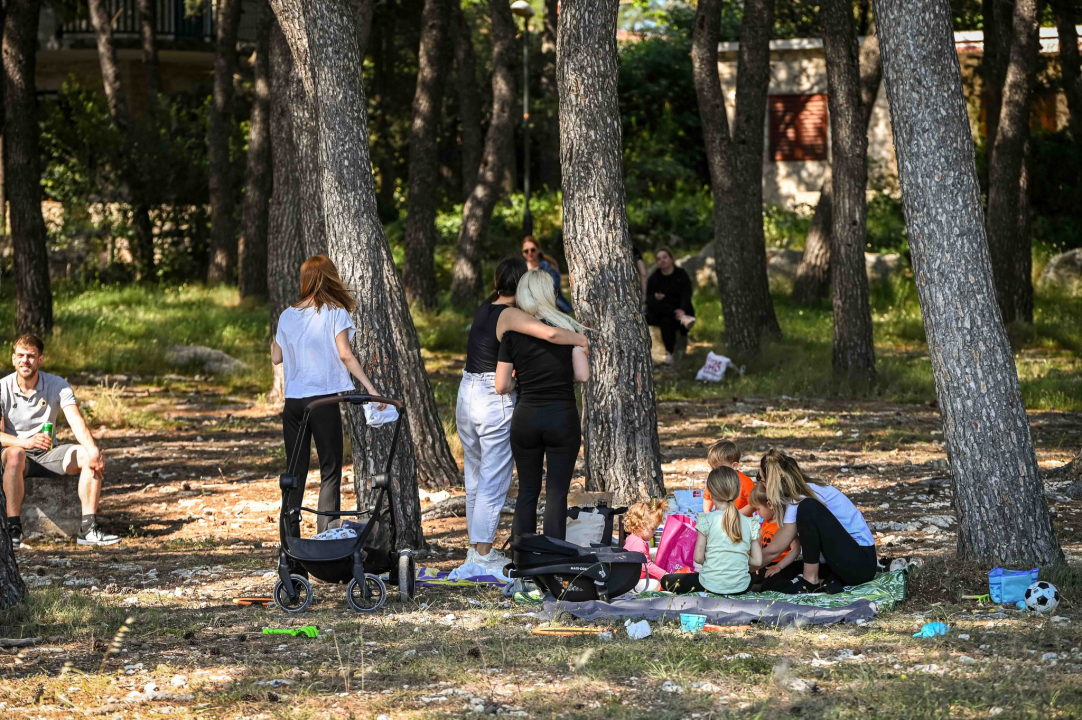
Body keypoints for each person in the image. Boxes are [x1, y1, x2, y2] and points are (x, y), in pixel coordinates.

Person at [457, 258, 588, 571]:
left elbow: (506, 373)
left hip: (473, 394)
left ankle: (493, 552)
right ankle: (492, 553)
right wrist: (580, 338)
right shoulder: (513, 316)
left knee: (481, 478)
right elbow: (556, 342)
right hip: (517, 405)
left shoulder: (487, 309)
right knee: (503, 479)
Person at [271, 255, 384, 536]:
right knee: (330, 471)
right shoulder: (335, 311)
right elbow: (345, 354)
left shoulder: (288, 314)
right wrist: (371, 389)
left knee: (294, 474)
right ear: (330, 278)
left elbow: (276, 357)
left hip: (294, 403)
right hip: (323, 401)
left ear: (306, 280)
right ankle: (325, 537)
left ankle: (289, 542)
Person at [495, 269, 589, 541]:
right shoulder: (569, 329)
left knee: (527, 490)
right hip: (561, 417)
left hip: (526, 417)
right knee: (557, 492)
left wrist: (520, 379)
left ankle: (522, 556)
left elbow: (501, 385)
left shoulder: (512, 335)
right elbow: (582, 376)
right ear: (550, 294)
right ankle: (554, 558)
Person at [1, 334, 119, 547]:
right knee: (16, 454)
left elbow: (75, 419)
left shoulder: (57, 384)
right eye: (20, 356)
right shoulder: (2, 388)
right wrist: (25, 442)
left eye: (30, 356)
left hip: (48, 454)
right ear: (13, 359)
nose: (24, 361)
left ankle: (89, 529)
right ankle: (14, 529)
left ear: (40, 360)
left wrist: (93, 450)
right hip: (16, 456)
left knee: (87, 454)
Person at [756, 449, 877, 593]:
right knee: (774, 579)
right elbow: (775, 548)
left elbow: (774, 549)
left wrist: (737, 568)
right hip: (837, 561)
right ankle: (825, 582)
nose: (761, 485)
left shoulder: (802, 496)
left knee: (808, 507)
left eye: (761, 479)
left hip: (860, 562)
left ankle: (810, 580)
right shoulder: (796, 494)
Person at [661, 466, 762, 595]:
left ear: (711, 494)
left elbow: (698, 558)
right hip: (741, 586)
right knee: (749, 578)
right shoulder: (749, 522)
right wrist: (736, 558)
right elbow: (758, 561)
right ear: (736, 492)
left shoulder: (707, 519)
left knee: (666, 580)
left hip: (710, 584)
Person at [747, 482, 802, 589]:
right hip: (766, 562)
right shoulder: (766, 523)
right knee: (747, 577)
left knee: (770, 585)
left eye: (758, 509)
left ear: (770, 505)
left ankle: (794, 582)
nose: (757, 513)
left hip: (782, 564)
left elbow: (796, 549)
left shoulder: (786, 524)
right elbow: (758, 543)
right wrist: (756, 561)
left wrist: (779, 566)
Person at [645, 247, 695, 364]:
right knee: (664, 317)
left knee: (670, 317)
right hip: (662, 312)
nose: (662, 261)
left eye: (664, 257)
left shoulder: (681, 275)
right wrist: (656, 297)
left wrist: (682, 309)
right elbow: (649, 298)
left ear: (671, 259)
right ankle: (670, 352)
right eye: (658, 259)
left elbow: (686, 294)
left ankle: (675, 350)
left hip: (680, 308)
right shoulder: (655, 277)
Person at [622, 499, 668, 592]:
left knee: (655, 582)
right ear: (641, 525)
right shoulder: (638, 543)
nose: (654, 532)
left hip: (630, 580)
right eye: (652, 529)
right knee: (656, 584)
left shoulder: (632, 539)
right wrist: (664, 574)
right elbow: (646, 565)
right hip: (632, 582)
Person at [521, 236, 573, 314]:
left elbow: (554, 287)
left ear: (538, 250)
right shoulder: (521, 269)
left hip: (552, 304)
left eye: (533, 250)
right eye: (526, 251)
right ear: (523, 253)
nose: (530, 253)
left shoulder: (549, 265)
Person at [704, 440, 754, 516]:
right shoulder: (715, 480)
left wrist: (736, 515)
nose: (716, 472)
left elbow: (753, 505)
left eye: (720, 468)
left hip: (742, 522)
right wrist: (707, 512)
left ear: (734, 466)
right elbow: (708, 497)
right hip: (721, 520)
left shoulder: (746, 482)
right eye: (713, 469)